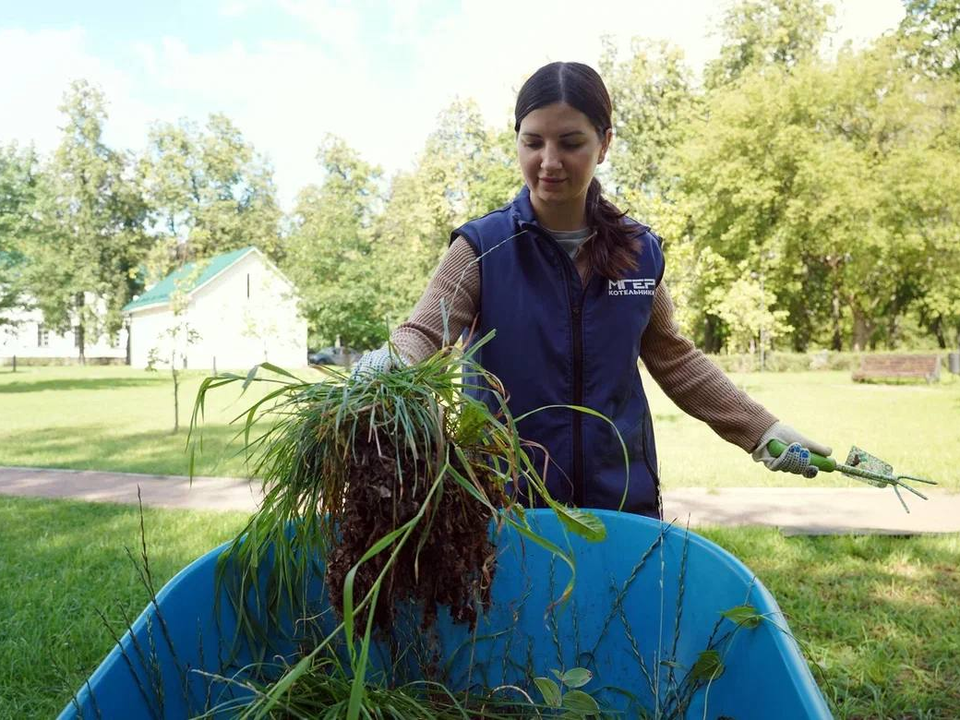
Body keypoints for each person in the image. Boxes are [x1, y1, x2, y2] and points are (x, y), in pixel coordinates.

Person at [354, 61, 830, 519]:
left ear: (604, 144)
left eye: (571, 142)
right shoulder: (482, 247)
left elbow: (675, 358)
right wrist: (386, 369)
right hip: (505, 505)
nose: (549, 161)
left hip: (620, 500)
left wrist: (762, 431)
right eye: (533, 142)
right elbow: (424, 332)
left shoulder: (639, 252)